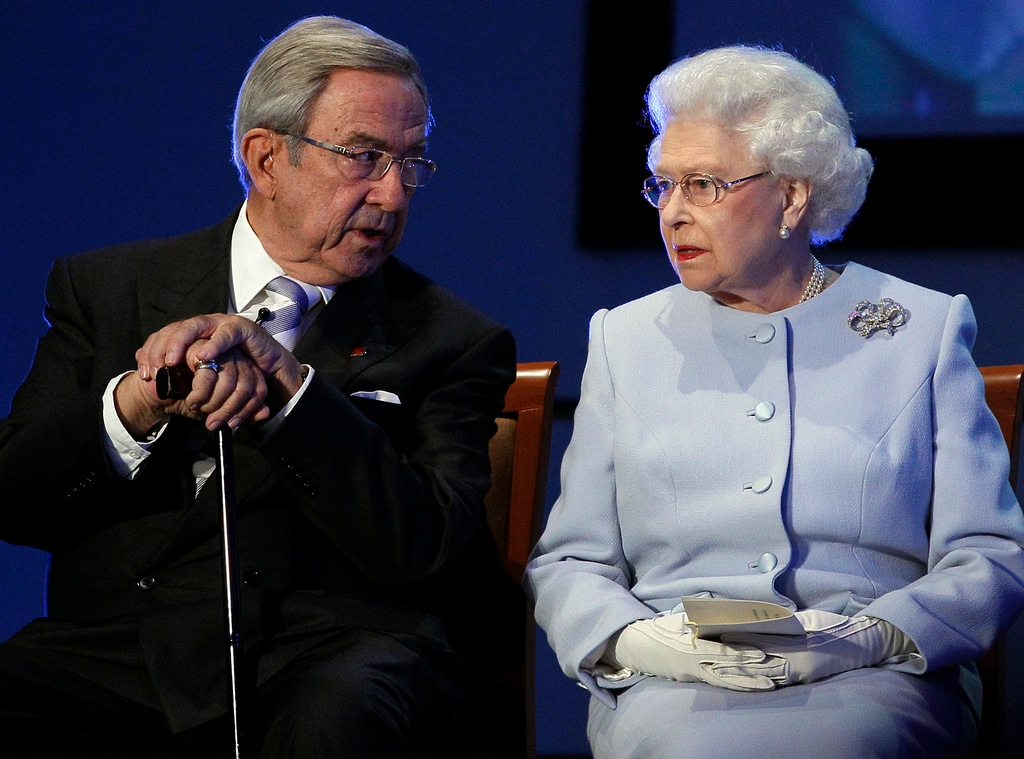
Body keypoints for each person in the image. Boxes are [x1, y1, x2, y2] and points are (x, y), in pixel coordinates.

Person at [0, 15, 519, 758]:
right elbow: (14, 496)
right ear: (267, 158)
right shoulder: (108, 288)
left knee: (339, 718)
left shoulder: (452, 339)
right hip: (124, 651)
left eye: (411, 163)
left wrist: (293, 391)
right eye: (365, 157)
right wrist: (134, 404)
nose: (394, 195)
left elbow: (423, 545)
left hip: (331, 647)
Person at [525, 45, 1024, 758]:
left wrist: (876, 633)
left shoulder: (922, 327)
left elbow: (990, 552)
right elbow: (571, 561)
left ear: (792, 194)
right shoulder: (624, 338)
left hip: (874, 679)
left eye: (703, 185)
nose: (673, 213)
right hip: (675, 682)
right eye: (662, 186)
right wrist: (641, 640)